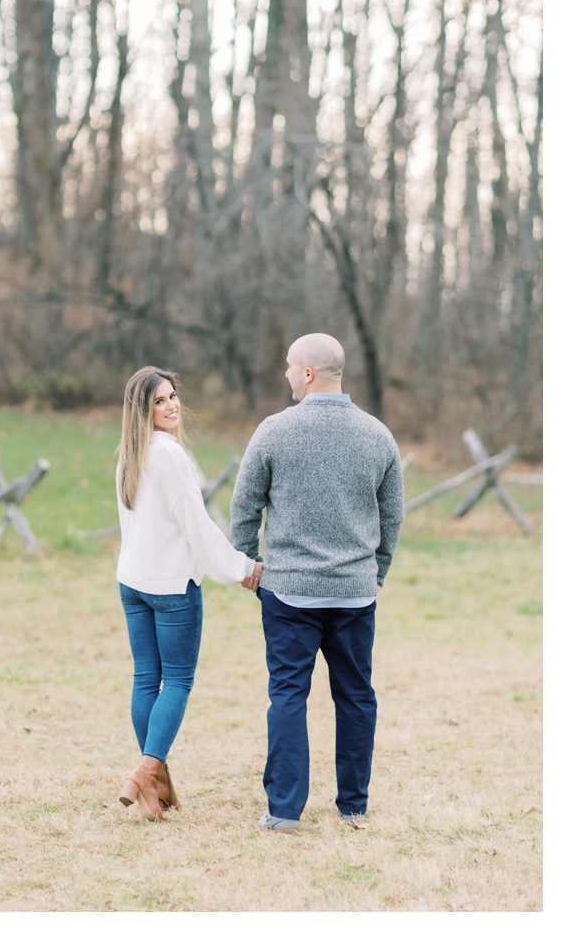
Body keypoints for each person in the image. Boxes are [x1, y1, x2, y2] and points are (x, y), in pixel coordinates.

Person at [230, 333, 405, 833]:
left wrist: (252, 564)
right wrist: (377, 571)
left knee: (288, 695)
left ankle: (284, 810)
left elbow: (244, 506)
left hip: (287, 592)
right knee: (355, 695)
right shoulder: (378, 435)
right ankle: (353, 804)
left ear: (308, 373)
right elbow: (392, 517)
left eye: (289, 366)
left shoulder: (273, 431)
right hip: (354, 592)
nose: (286, 374)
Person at [114, 367, 262, 821]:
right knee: (176, 681)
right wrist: (241, 568)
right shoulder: (171, 457)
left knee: (146, 680)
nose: (172, 406)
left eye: (173, 396)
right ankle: (144, 771)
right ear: (143, 409)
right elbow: (196, 527)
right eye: (159, 401)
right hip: (173, 586)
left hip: (133, 581)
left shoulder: (127, 454)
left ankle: (155, 784)